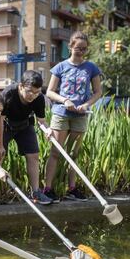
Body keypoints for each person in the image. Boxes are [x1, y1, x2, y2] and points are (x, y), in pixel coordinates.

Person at [43, 31, 102, 202]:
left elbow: (98, 92)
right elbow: (50, 92)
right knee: (55, 152)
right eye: (78, 48)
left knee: (73, 154)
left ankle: (72, 189)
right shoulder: (60, 67)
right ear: (70, 47)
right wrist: (65, 100)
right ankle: (48, 189)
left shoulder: (91, 68)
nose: (81, 51)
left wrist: (87, 104)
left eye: (84, 49)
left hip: (80, 116)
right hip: (61, 114)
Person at [0, 70, 53, 208]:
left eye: (37, 92)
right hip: (5, 124)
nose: (33, 95)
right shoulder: (8, 94)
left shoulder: (39, 98)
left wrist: (47, 129)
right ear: (20, 86)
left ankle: (36, 192)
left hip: (25, 124)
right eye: (30, 91)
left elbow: (41, 121)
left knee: (33, 155)